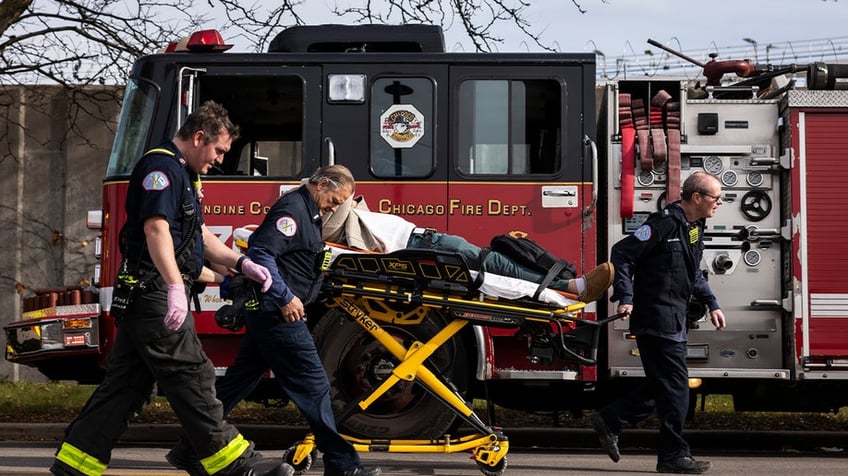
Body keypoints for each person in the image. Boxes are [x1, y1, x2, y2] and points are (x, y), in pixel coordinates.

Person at [50, 101, 292, 476]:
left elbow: (198, 237)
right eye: (219, 151)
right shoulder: (161, 168)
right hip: (155, 296)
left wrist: (241, 265)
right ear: (199, 137)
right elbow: (156, 229)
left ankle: (75, 464)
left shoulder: (183, 174)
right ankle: (232, 464)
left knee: (126, 387)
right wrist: (177, 287)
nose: (220, 160)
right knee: (191, 374)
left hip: (148, 296)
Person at [167, 164, 381, 476]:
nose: (337, 206)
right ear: (321, 184)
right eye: (336, 199)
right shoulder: (293, 211)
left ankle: (188, 448)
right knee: (315, 386)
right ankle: (343, 466)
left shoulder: (309, 213)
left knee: (237, 384)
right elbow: (261, 253)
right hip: (278, 313)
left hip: (267, 313)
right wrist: (285, 297)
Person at [589, 172, 727, 474]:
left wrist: (711, 302)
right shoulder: (663, 224)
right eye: (716, 198)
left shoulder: (692, 228)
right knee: (677, 390)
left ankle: (611, 419)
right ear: (697, 198)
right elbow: (622, 254)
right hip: (656, 318)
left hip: (674, 319)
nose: (720, 203)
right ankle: (673, 455)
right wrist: (625, 295)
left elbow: (693, 273)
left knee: (663, 385)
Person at [322, 194, 614, 303]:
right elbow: (343, 189)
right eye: (330, 199)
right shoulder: (331, 224)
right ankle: (569, 287)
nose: (336, 203)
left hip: (422, 242)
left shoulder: (338, 219)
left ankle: (566, 283)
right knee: (493, 264)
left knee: (497, 259)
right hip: (420, 247)